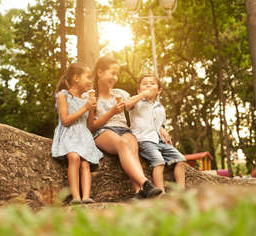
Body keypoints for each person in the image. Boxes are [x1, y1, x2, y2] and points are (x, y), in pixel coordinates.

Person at [88, 56, 162, 199]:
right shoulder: (91, 96)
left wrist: (160, 128)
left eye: (117, 74)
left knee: (132, 149)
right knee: (122, 144)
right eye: (112, 73)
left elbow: (144, 112)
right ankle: (145, 183)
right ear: (100, 72)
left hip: (124, 129)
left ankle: (138, 192)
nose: (115, 77)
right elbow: (91, 127)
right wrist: (112, 112)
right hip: (103, 131)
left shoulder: (121, 93)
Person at [52, 62, 103, 205]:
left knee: (85, 163)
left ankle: (86, 197)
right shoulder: (63, 95)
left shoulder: (87, 98)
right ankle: (75, 197)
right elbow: (66, 120)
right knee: (74, 157)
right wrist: (85, 107)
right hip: (68, 133)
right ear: (76, 78)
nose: (90, 82)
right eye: (87, 77)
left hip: (84, 134)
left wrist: (91, 108)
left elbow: (89, 125)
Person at [128, 74, 186, 193]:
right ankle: (160, 192)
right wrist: (143, 95)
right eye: (144, 84)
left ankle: (181, 191)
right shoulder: (136, 102)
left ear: (159, 90)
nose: (148, 85)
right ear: (138, 90)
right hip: (144, 139)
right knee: (158, 161)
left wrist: (163, 130)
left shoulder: (160, 107)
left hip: (159, 139)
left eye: (152, 83)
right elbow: (127, 104)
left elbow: (158, 124)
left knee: (180, 159)